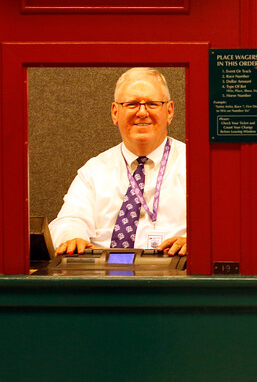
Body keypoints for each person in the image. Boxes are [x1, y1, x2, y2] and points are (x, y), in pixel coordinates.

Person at [49, 68, 187, 256]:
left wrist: (197, 242)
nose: (142, 112)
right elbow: (70, 219)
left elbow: (224, 224)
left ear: (169, 111)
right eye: (131, 104)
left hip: (175, 276)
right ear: (115, 113)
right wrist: (73, 237)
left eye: (153, 104)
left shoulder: (194, 165)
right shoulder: (94, 171)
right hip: (103, 280)